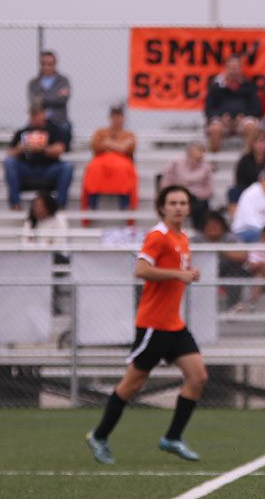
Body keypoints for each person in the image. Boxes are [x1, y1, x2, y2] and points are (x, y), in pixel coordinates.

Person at [85, 185, 208, 464]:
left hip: (174, 325)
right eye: (173, 202)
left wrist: (186, 274)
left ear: (189, 208)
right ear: (162, 207)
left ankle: (172, 438)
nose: (178, 207)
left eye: (183, 203)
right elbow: (140, 269)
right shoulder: (158, 236)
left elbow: (177, 274)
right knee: (131, 385)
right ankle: (100, 435)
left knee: (198, 376)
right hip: (153, 326)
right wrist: (179, 274)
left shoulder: (182, 237)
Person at [3, 104, 72, 210]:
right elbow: (10, 153)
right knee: (10, 162)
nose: (34, 117)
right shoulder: (22, 132)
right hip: (27, 170)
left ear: (44, 114)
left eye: (37, 114)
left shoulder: (53, 130)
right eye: (32, 114)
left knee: (67, 166)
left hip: (49, 169)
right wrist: (20, 148)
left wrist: (43, 149)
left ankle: (59, 206)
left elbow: (60, 149)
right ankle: (15, 203)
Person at [82, 104, 138, 211]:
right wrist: (120, 145)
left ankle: (124, 205)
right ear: (110, 118)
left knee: (122, 171)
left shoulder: (129, 134)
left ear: (123, 118)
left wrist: (108, 143)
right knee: (94, 169)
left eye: (119, 116)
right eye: (114, 116)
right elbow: (96, 146)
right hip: (101, 164)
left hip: (122, 165)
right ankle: (92, 205)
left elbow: (128, 148)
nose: (116, 120)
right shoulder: (100, 132)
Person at [190, 210, 248, 308]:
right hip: (203, 271)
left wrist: (220, 251)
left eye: (216, 225)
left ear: (223, 226)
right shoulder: (197, 239)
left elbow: (243, 255)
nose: (213, 228)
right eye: (210, 225)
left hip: (227, 270)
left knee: (236, 274)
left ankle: (233, 307)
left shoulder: (230, 238)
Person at [204, 54, 261, 152]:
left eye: (236, 67)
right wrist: (221, 116)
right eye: (231, 67)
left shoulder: (249, 86)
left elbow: (256, 108)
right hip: (222, 121)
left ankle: (249, 159)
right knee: (215, 129)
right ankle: (213, 160)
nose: (234, 70)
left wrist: (244, 116)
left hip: (242, 121)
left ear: (241, 69)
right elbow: (208, 109)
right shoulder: (216, 87)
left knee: (252, 127)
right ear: (226, 68)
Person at [160, 140, 214, 231]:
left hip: (197, 199)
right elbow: (166, 182)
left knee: (200, 205)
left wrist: (196, 194)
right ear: (191, 150)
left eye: (203, 150)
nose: (202, 153)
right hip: (176, 194)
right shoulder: (176, 163)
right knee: (174, 203)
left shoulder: (207, 168)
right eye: (200, 150)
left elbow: (209, 190)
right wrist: (171, 192)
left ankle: (198, 230)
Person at [228, 128, 265, 206]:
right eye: (259, 141)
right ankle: (236, 216)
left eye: (264, 142)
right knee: (233, 191)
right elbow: (239, 180)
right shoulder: (245, 160)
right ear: (252, 143)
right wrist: (255, 189)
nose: (261, 145)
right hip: (248, 190)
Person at [27, 51, 72, 151]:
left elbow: (63, 100)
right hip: (39, 121)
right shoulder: (34, 83)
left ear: (55, 64)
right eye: (44, 64)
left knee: (65, 128)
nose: (47, 67)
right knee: (26, 133)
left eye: (50, 64)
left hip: (59, 120)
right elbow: (34, 102)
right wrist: (55, 96)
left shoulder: (63, 81)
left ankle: (63, 152)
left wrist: (42, 98)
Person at [232, 169, 265, 243]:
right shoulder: (249, 194)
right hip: (244, 231)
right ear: (261, 180)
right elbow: (248, 220)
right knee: (260, 234)